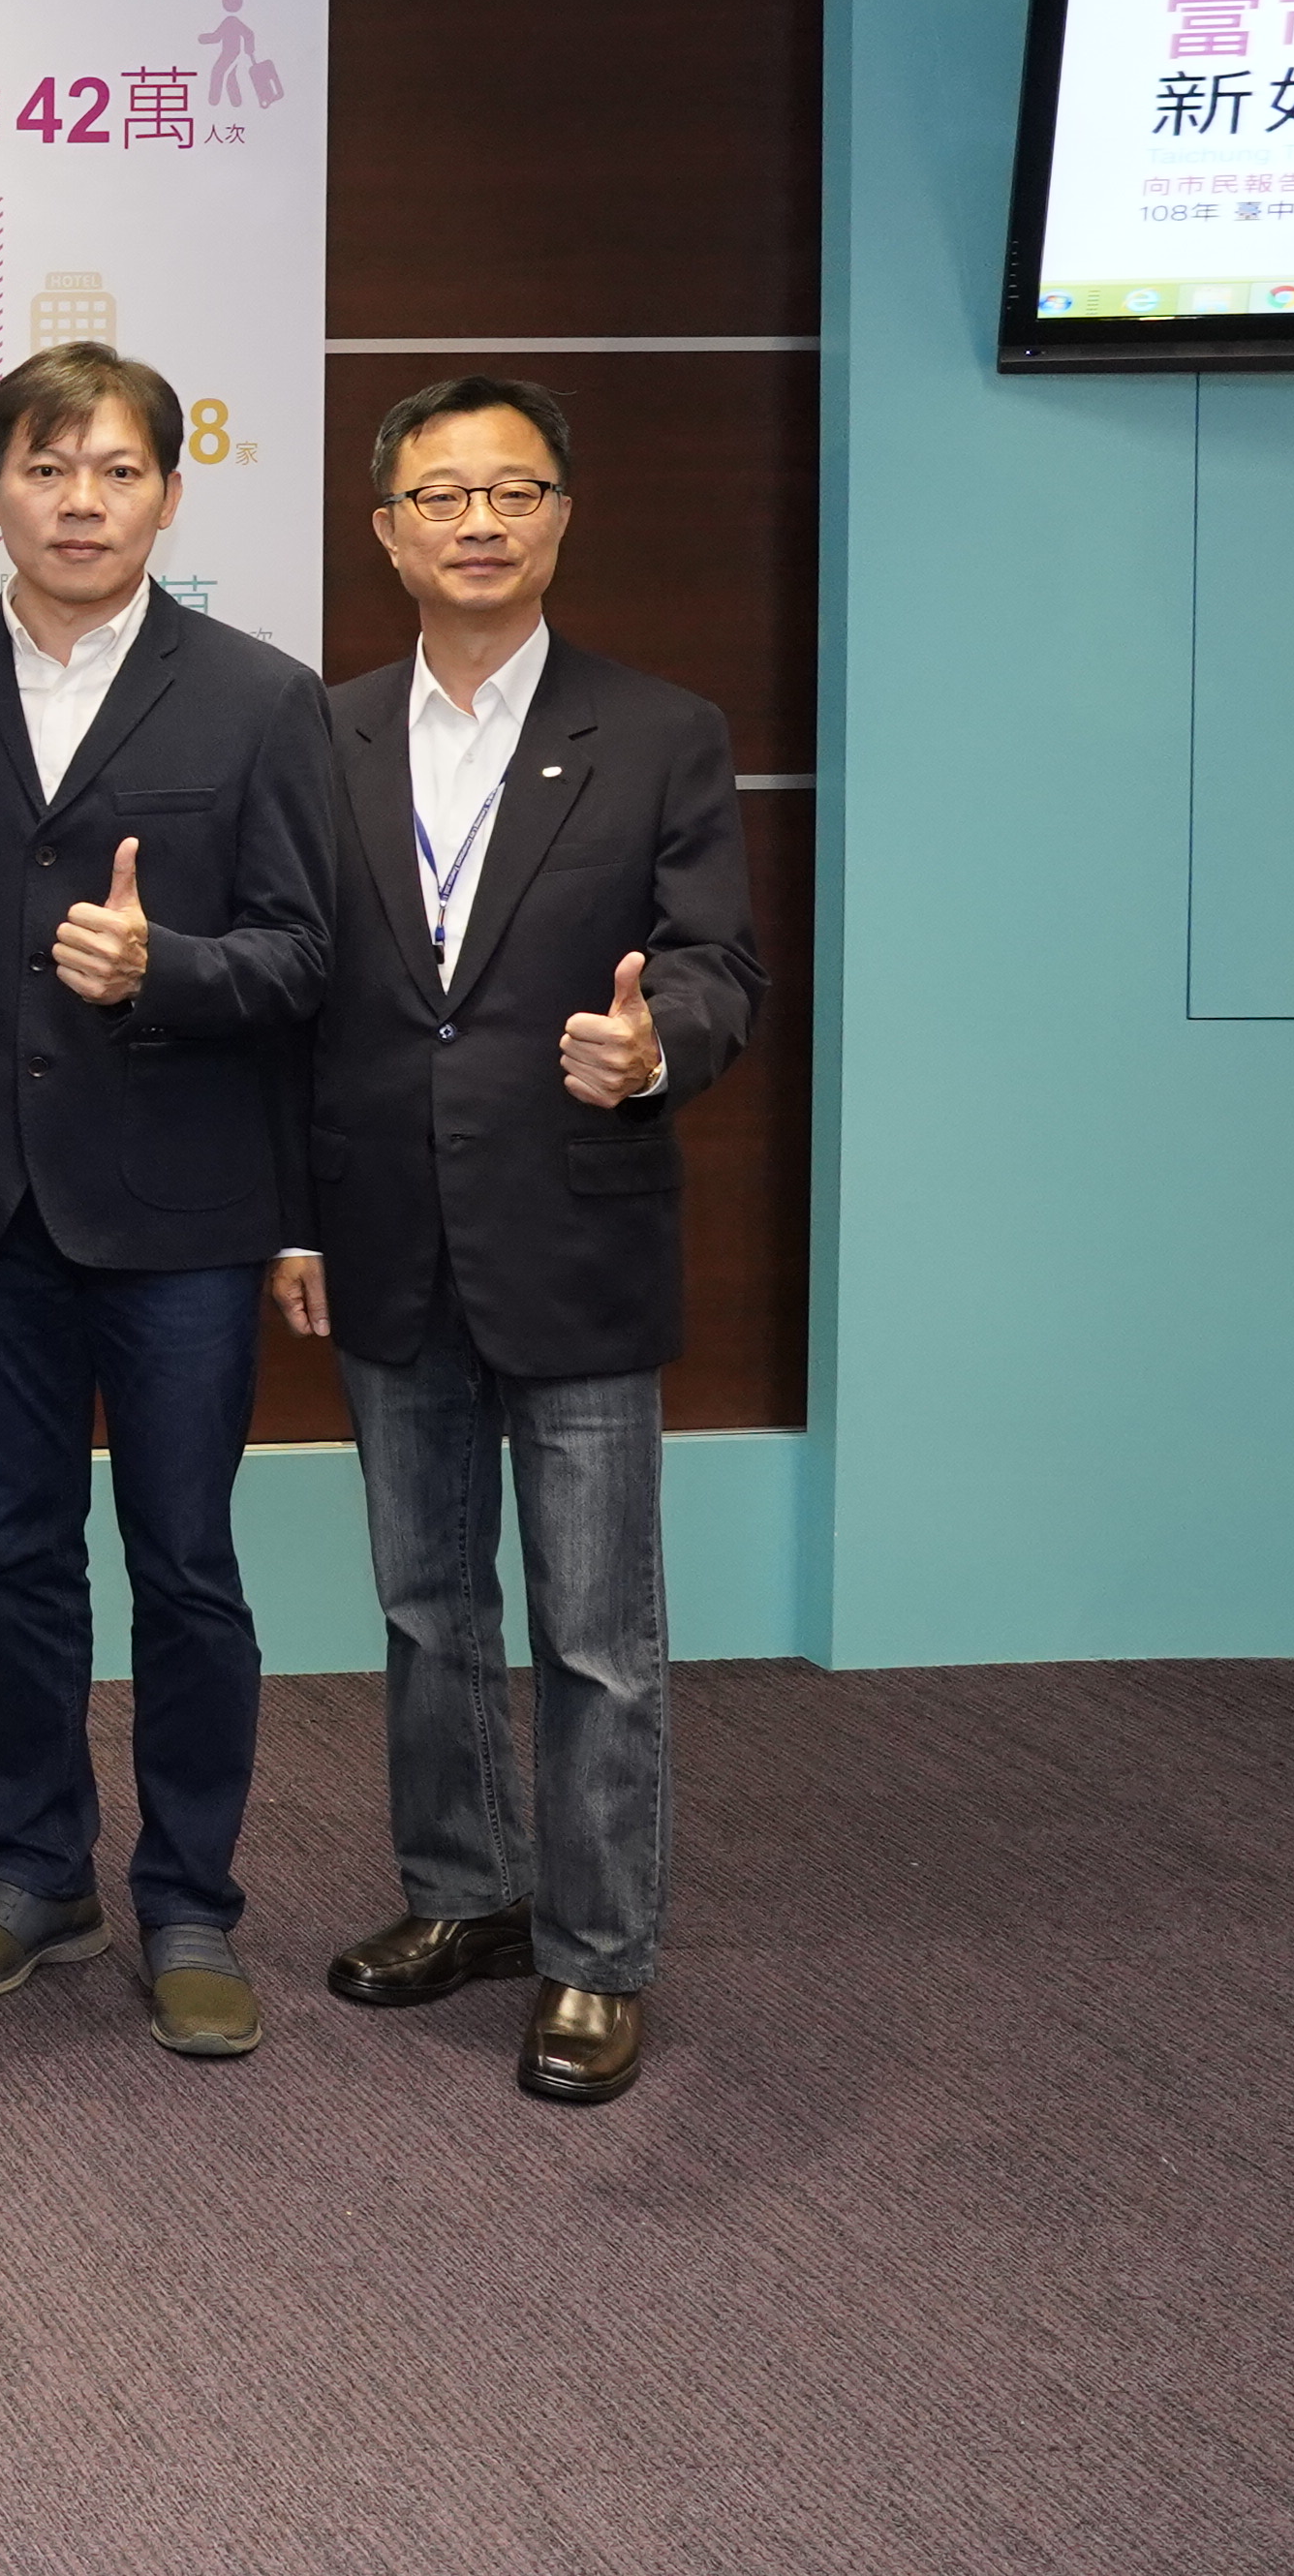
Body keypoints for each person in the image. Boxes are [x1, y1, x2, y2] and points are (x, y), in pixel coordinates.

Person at [0, 343, 333, 2062]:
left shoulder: (260, 695)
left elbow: (305, 957)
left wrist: (164, 967)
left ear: (169, 496)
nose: (81, 502)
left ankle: (190, 1898)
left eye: (118, 471)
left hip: (183, 1212)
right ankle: (36, 1869)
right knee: (16, 1557)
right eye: (47, 469)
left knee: (186, 1563)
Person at [279, 376, 759, 2105]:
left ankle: (598, 1955)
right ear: (387, 529)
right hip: (384, 1235)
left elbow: (717, 965)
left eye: (514, 490)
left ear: (562, 516)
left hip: (575, 1230)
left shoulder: (661, 729)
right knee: (426, 1607)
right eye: (442, 495)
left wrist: (656, 1049)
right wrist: (291, 1218)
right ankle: (465, 1894)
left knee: (597, 1631)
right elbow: (298, 996)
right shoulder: (319, 733)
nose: (477, 521)